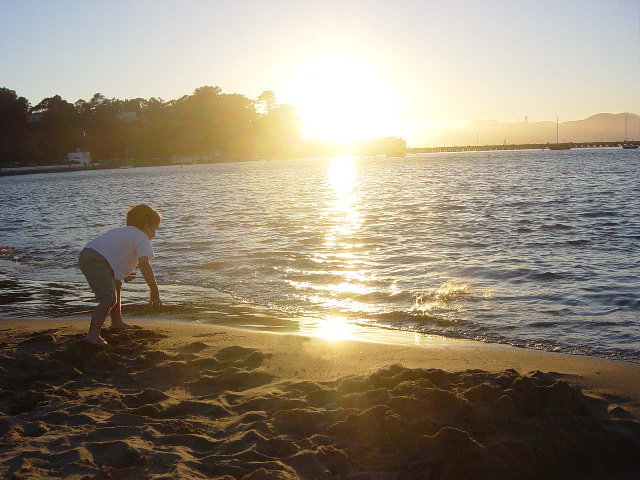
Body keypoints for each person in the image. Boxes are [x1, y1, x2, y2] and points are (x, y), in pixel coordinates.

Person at [78, 204, 162, 346]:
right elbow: (144, 264)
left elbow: (114, 254)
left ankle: (117, 322)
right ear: (147, 225)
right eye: (154, 229)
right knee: (108, 299)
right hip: (97, 260)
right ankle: (92, 335)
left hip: (89, 255)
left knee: (117, 284)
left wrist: (120, 274)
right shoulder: (142, 238)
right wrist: (154, 289)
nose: (154, 234)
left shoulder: (124, 232)